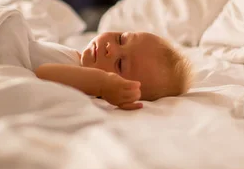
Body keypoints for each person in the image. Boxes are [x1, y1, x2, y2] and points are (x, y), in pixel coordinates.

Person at [34, 31, 193, 111]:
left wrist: (103, 84)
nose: (111, 48)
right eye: (121, 39)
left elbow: (42, 74)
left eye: (120, 64)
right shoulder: (75, 57)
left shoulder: (84, 83)